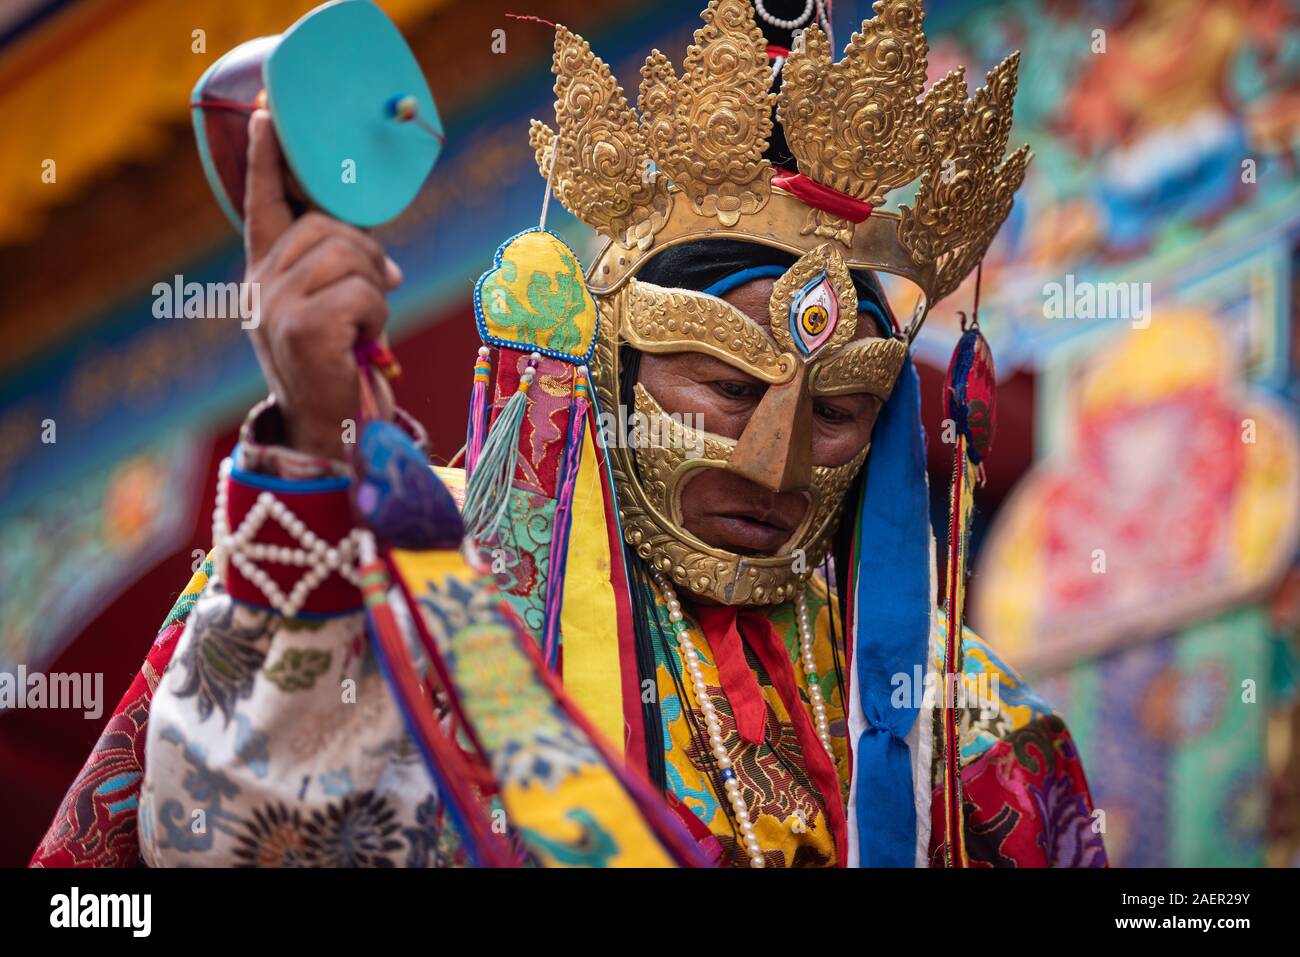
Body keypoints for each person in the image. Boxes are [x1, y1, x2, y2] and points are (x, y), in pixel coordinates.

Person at [32, 0, 1107, 868]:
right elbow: (201, 839)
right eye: (726, 390)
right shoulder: (391, 574)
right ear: (611, 368)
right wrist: (314, 447)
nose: (771, 461)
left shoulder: (961, 728)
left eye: (834, 413)